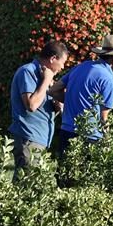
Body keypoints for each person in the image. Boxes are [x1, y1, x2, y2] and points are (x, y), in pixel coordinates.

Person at [49, 34, 113, 160]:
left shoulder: (82, 67)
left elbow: (53, 90)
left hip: (66, 132)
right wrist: (109, 143)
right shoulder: (108, 80)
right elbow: (103, 119)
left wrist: (74, 101)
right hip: (89, 138)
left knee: (64, 177)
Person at [9, 41, 69, 181]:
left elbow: (44, 107)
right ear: (53, 58)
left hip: (39, 138)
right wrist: (47, 80)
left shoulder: (44, 77)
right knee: (26, 187)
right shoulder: (28, 71)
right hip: (28, 137)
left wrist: (56, 106)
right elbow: (31, 105)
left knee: (33, 187)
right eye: (63, 62)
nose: (63, 67)